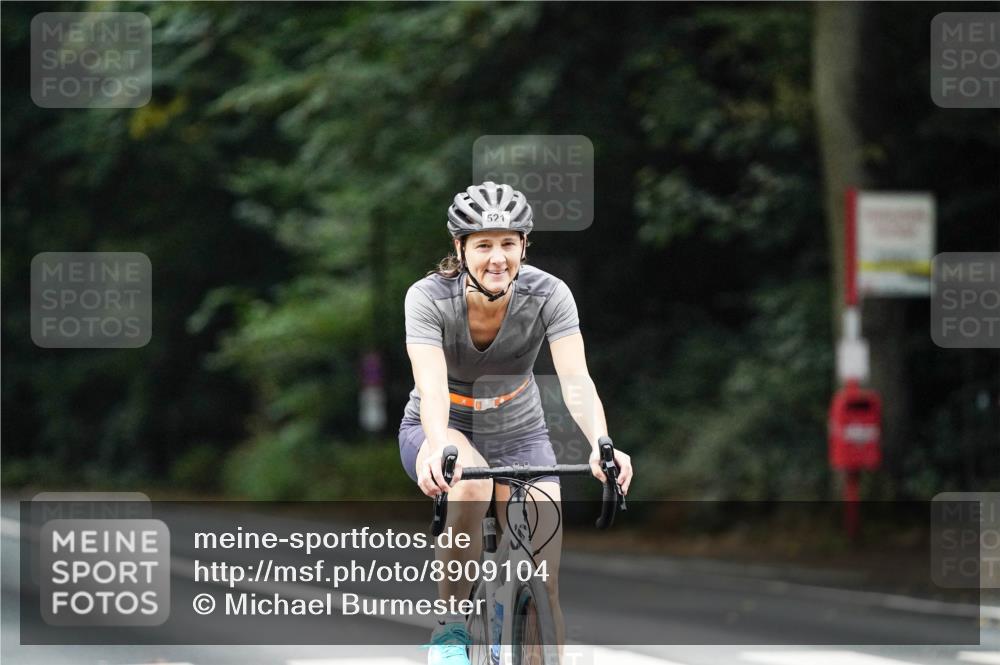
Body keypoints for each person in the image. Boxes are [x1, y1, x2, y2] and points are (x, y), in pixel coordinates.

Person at [399, 181, 633, 665]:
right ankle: (451, 627)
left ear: (525, 245)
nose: (498, 257)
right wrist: (439, 447)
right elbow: (433, 388)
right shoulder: (427, 298)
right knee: (469, 487)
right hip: (443, 424)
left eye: (509, 243)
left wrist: (601, 444)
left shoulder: (548, 293)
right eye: (483, 244)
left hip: (520, 431)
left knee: (544, 581)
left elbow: (576, 381)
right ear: (460, 248)